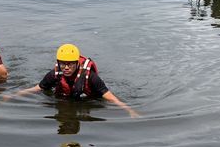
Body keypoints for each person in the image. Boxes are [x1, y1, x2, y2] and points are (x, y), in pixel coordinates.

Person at [11, 44, 139, 118]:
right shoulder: (54, 74)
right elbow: (37, 88)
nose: (66, 68)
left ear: (77, 63)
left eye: (70, 64)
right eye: (63, 64)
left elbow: (110, 97)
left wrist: (130, 110)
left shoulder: (91, 77)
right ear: (58, 63)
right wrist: (13, 95)